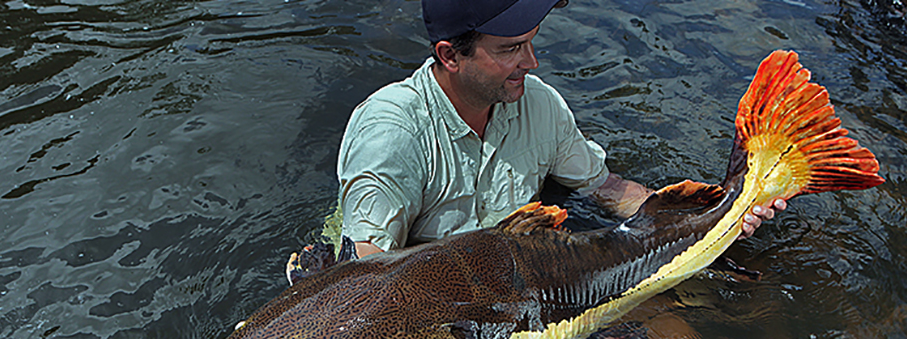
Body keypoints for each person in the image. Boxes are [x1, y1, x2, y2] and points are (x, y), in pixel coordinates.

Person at [335, 0, 785, 259]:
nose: (531, 63)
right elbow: (367, 272)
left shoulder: (539, 103)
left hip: (521, 282)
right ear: (451, 56)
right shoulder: (392, 132)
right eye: (511, 49)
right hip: (436, 299)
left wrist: (719, 213)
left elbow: (607, 188)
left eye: (531, 42)